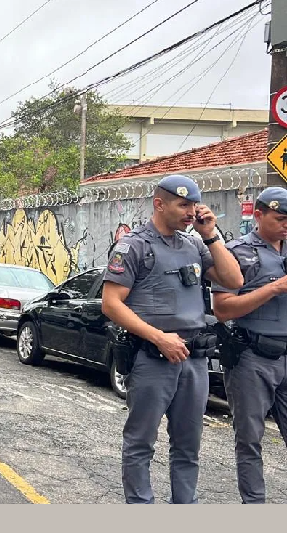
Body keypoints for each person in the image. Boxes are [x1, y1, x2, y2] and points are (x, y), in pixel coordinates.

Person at [101, 174, 243, 504]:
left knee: (188, 446)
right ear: (159, 204)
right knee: (140, 442)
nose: (191, 211)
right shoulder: (134, 246)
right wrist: (158, 337)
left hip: (193, 360)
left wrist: (210, 235)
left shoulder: (194, 244)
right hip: (152, 358)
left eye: (194, 204)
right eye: (183, 205)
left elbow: (233, 279)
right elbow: (111, 303)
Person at [211, 187, 287, 504]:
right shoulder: (237, 253)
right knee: (250, 439)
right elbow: (223, 308)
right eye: (281, 218)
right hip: (252, 357)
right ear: (258, 215)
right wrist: (274, 289)